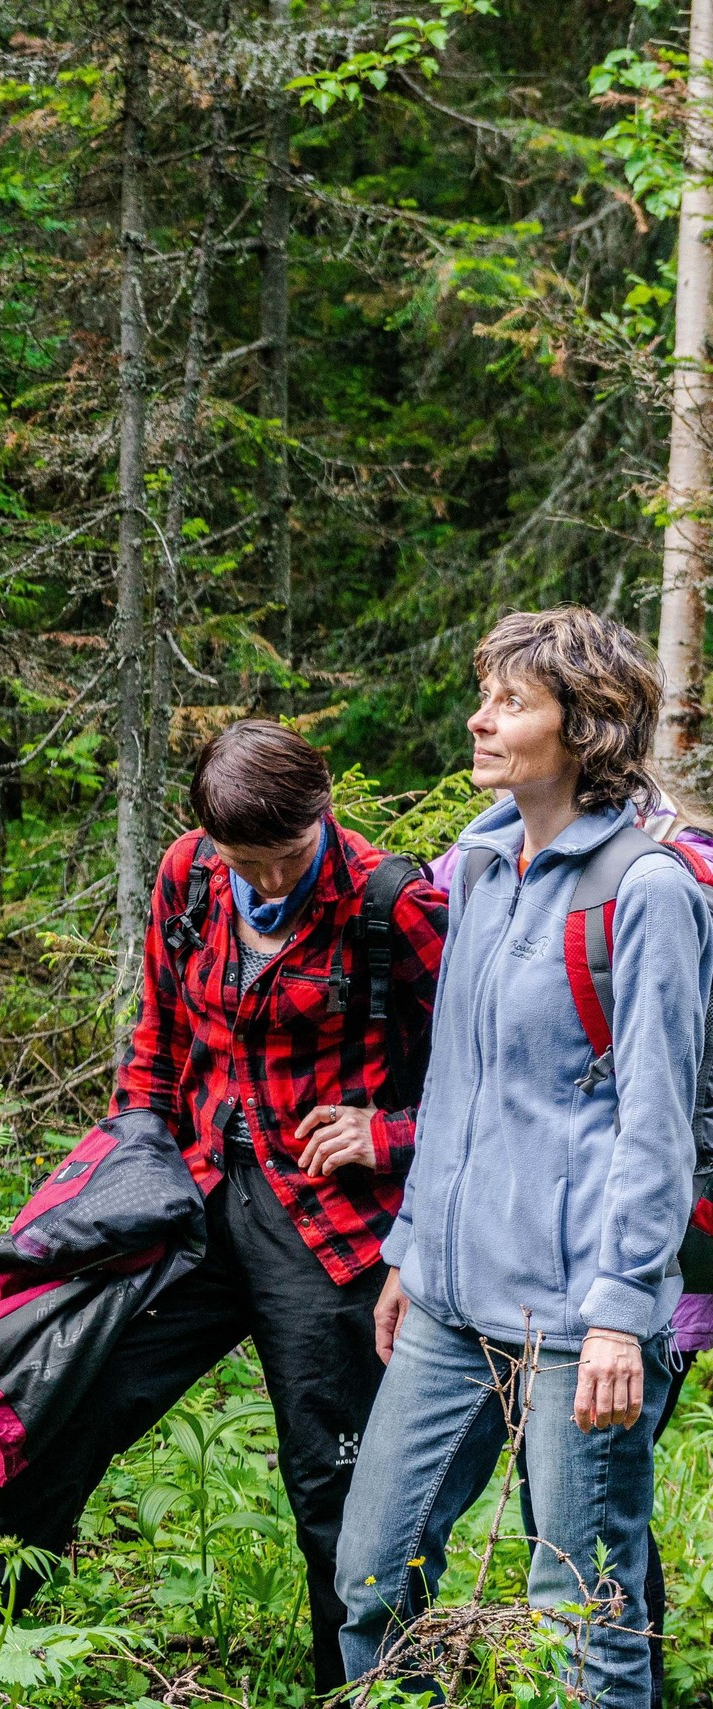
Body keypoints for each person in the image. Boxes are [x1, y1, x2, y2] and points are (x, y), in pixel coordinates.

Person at [0, 719, 445, 1693]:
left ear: (322, 811)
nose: (269, 881)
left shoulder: (390, 901)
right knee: (60, 1391)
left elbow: (479, 1073)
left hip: (330, 1230)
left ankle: (371, 1688)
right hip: (189, 1193)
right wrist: (128, 1169)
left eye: (288, 855)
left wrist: (389, 1134)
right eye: (248, 860)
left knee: (336, 1482)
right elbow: (158, 1032)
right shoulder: (189, 874)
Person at [338, 608, 713, 1709]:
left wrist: (620, 1314)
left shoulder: (648, 890)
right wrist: (411, 1249)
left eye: (511, 701)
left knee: (582, 1610)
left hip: (578, 1320)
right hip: (449, 1301)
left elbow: (656, 1121)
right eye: (484, 695)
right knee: (370, 1574)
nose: (480, 718)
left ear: (584, 726)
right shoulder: (480, 860)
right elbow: (455, 1081)